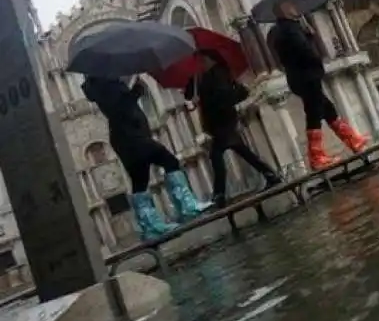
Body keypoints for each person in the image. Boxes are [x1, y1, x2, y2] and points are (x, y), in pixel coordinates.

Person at [81, 76, 211, 241]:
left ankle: (150, 227)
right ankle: (186, 207)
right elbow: (119, 108)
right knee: (169, 160)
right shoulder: (105, 85)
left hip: (127, 136)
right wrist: (135, 92)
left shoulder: (102, 85)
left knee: (140, 180)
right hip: (130, 136)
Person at [267, 0, 368, 170]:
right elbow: (303, 50)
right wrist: (315, 61)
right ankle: (316, 157)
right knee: (314, 113)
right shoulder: (290, 29)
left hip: (299, 77)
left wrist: (308, 34)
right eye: (291, 6)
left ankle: (353, 140)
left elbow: (295, 48)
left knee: (328, 109)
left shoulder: (281, 30)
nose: (296, 7)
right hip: (306, 76)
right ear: (284, 10)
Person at [185, 51, 280, 208]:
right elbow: (191, 96)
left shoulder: (218, 74)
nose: (202, 63)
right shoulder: (202, 76)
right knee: (239, 151)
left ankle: (220, 195)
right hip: (218, 122)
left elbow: (223, 96)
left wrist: (205, 98)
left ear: (211, 59)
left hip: (223, 120)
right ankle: (269, 174)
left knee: (217, 156)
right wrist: (193, 86)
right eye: (200, 60)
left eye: (203, 59)